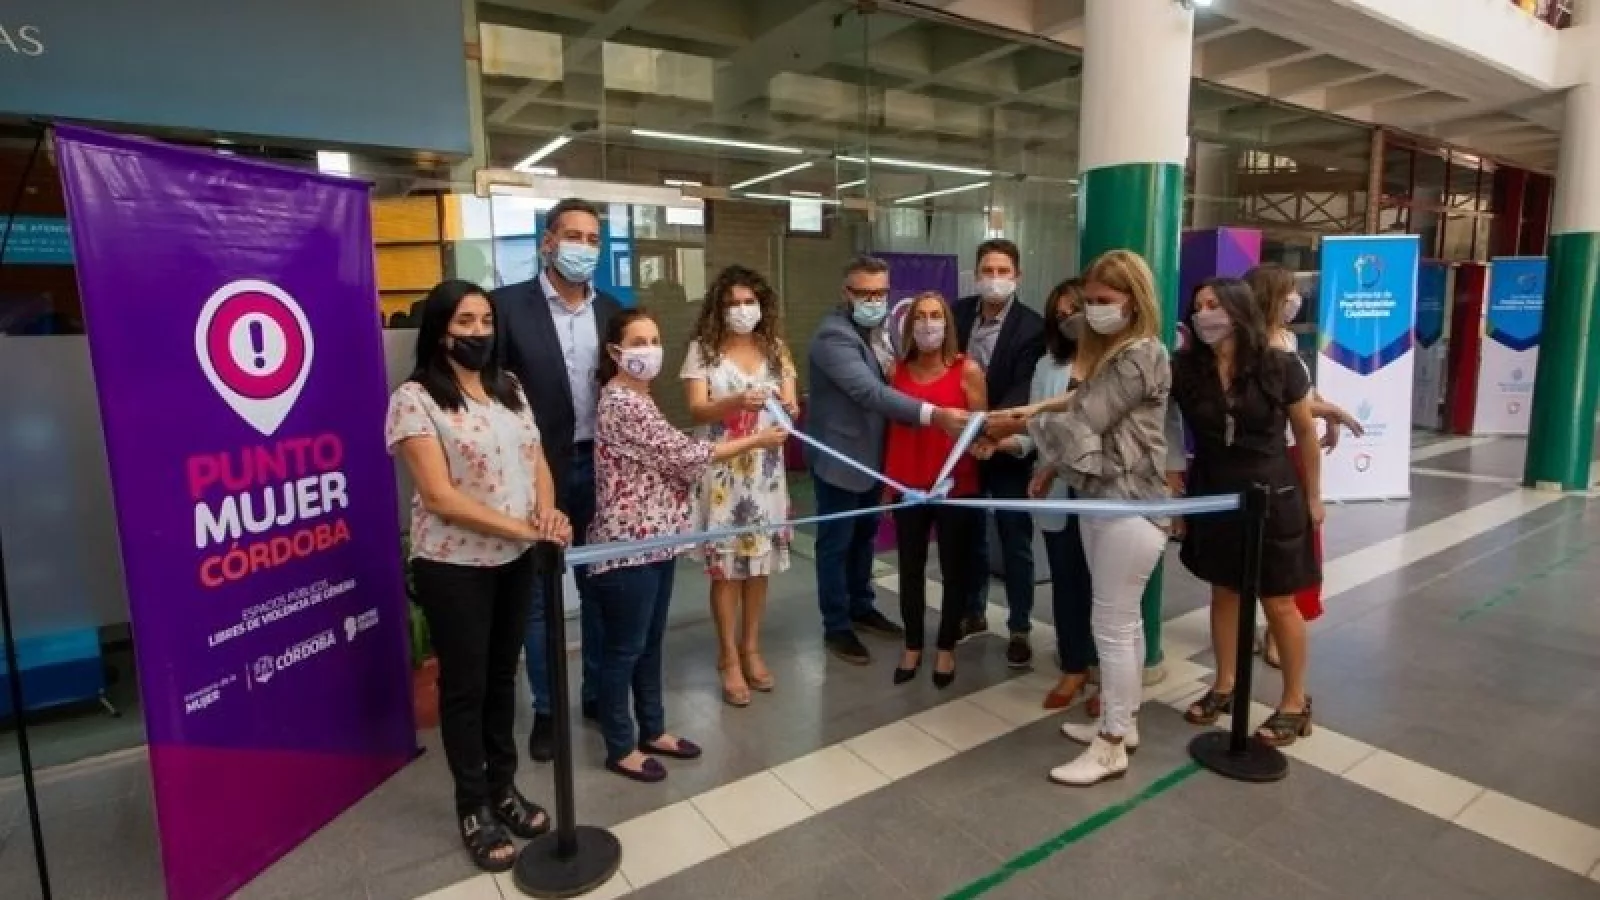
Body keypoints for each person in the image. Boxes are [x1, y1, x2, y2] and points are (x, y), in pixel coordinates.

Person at [386, 280, 571, 872]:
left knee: (500, 679)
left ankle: (503, 787)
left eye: (486, 321)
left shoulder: (507, 387)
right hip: (454, 565)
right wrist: (525, 530)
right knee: (465, 689)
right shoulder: (415, 399)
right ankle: (474, 806)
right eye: (465, 321)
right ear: (441, 330)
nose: (479, 332)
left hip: (515, 560)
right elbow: (440, 496)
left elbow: (536, 459)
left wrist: (547, 513)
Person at [588, 309, 789, 782]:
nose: (649, 350)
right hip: (628, 545)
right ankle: (620, 745)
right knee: (625, 649)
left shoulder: (642, 397)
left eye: (654, 339)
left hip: (656, 541)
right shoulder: (622, 401)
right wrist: (756, 439)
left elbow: (666, 452)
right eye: (638, 342)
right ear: (615, 351)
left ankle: (653, 729)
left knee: (649, 644)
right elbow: (685, 454)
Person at [1007, 249, 1178, 787]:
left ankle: (1111, 746)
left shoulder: (1140, 354)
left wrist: (1019, 426)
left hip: (1129, 505)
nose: (1093, 311)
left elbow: (1085, 417)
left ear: (1134, 300)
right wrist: (1039, 416)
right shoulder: (1117, 354)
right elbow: (1083, 406)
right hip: (1103, 499)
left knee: (1113, 626)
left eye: (1104, 300)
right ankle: (1121, 723)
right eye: (1090, 301)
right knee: (1122, 624)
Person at [492, 198, 622, 763]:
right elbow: (491, 394)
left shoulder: (611, 311)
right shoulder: (506, 308)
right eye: (573, 236)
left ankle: (596, 692)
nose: (583, 248)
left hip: (602, 467)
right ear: (548, 242)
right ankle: (547, 709)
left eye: (593, 239)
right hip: (536, 472)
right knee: (540, 597)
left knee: (600, 585)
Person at [1174, 278, 1322, 747]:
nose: (1204, 314)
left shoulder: (1279, 366)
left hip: (1272, 494)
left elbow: (1306, 431)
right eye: (1198, 306)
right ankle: (1225, 683)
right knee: (1224, 593)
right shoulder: (1187, 369)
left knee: (1278, 600)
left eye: (1214, 304)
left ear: (1238, 311)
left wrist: (1315, 497)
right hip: (1215, 492)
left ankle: (1295, 702)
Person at [806, 255, 971, 665]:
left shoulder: (882, 331)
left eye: (881, 292)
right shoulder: (833, 337)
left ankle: (861, 606)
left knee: (864, 538)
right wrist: (934, 414)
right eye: (865, 293)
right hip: (842, 460)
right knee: (836, 545)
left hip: (876, 459)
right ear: (847, 292)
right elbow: (870, 392)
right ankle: (837, 625)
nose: (874, 301)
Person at [680, 265, 799, 707]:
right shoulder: (703, 350)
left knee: (759, 565)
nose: (742, 310)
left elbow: (791, 404)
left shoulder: (777, 349)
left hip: (765, 472)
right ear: (719, 308)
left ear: (762, 305)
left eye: (750, 302)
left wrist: (789, 410)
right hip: (723, 472)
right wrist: (735, 402)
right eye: (733, 303)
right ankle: (728, 656)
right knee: (726, 568)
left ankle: (751, 647)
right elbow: (697, 410)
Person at [1242, 264, 1362, 668]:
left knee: (1297, 549)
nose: (1296, 300)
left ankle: (1278, 628)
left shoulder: (1288, 339)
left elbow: (1303, 391)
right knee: (1266, 548)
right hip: (1270, 456)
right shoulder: (1251, 348)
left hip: (1296, 452)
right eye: (1288, 292)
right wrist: (1327, 411)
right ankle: (1262, 626)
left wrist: (1325, 411)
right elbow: (1280, 403)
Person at [883, 291, 987, 689]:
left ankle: (946, 646)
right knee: (909, 568)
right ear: (910, 326)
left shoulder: (968, 371)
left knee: (953, 569)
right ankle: (913, 644)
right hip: (907, 485)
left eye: (935, 316)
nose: (928, 324)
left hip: (956, 487)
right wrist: (887, 485)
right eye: (921, 317)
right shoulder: (896, 372)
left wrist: (984, 443)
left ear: (947, 324)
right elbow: (890, 431)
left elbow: (981, 428)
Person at [1003, 278, 1098, 709]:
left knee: (1107, 585)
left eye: (1075, 311)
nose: (1068, 321)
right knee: (1066, 578)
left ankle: (1109, 673)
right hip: (1058, 489)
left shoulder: (1116, 362)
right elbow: (1034, 431)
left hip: (1104, 488)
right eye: (1059, 316)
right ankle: (1074, 664)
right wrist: (1003, 443)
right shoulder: (1047, 367)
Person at [952, 239, 1045, 666]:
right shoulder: (956, 315)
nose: (994, 278)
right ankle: (972, 612)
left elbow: (1025, 387)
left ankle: (1020, 626)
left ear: (1017, 276)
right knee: (968, 535)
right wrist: (967, 434)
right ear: (975, 275)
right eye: (987, 270)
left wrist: (992, 431)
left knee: (1014, 540)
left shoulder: (1032, 327)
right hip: (962, 447)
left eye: (1003, 271)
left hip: (1007, 447)